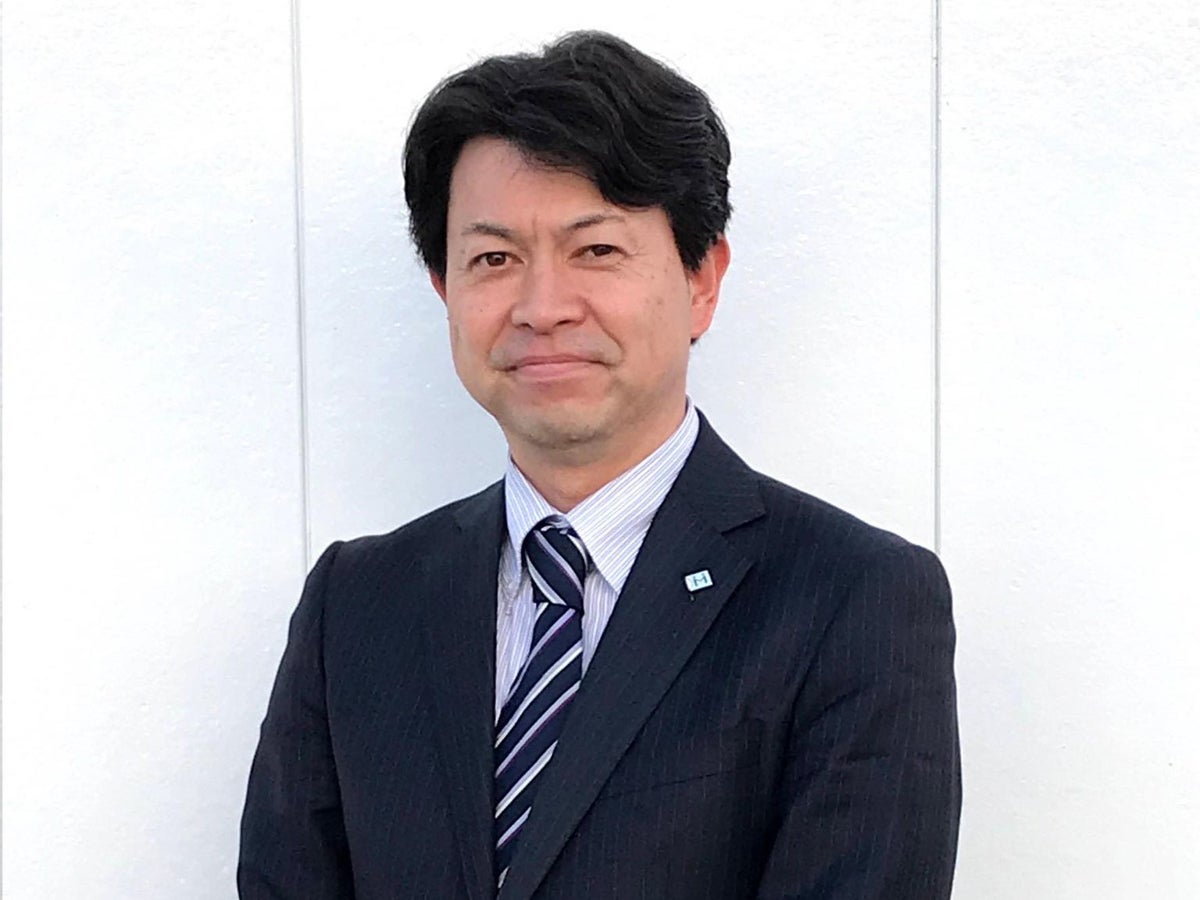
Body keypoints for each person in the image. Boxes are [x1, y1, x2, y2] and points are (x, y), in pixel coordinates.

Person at [238, 30, 961, 900]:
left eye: (597, 250)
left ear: (702, 279)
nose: (542, 308)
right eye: (494, 259)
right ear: (445, 290)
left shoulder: (853, 599)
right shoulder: (356, 605)